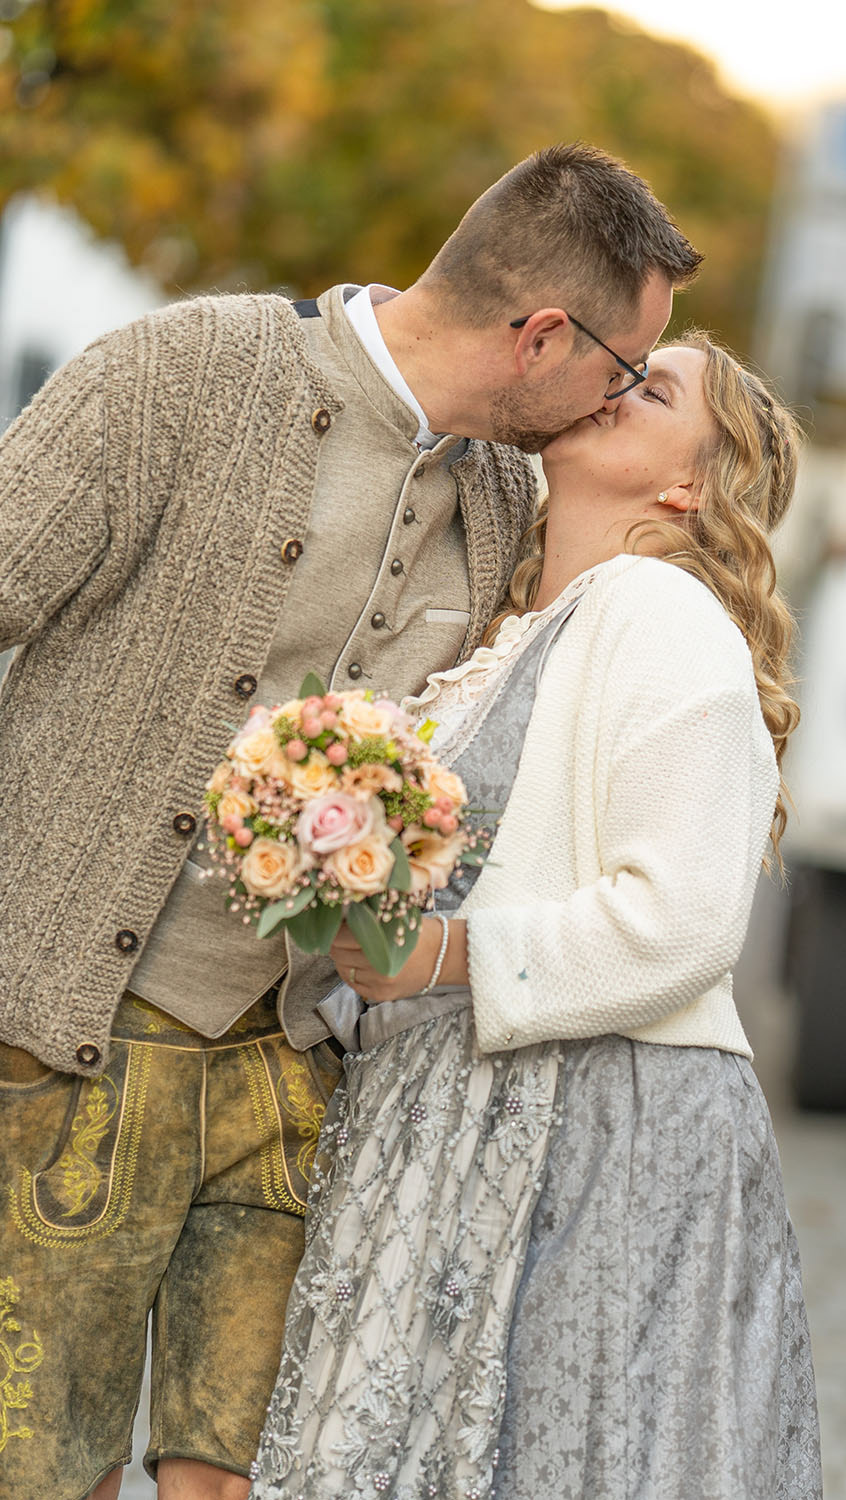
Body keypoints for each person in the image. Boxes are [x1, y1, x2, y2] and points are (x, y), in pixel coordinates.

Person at [0, 144, 701, 1500]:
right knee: (46, 1475)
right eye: (622, 370)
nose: (615, 402)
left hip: (293, 1077)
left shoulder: (507, 506)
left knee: (246, 1479)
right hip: (70, 1039)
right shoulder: (179, 376)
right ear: (542, 334)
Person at [247, 334, 822, 1500]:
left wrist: (443, 955)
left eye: (649, 390)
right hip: (455, 1106)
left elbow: (686, 922)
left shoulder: (663, 615)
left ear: (690, 487)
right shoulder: (521, 629)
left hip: (607, 1126)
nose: (614, 384)